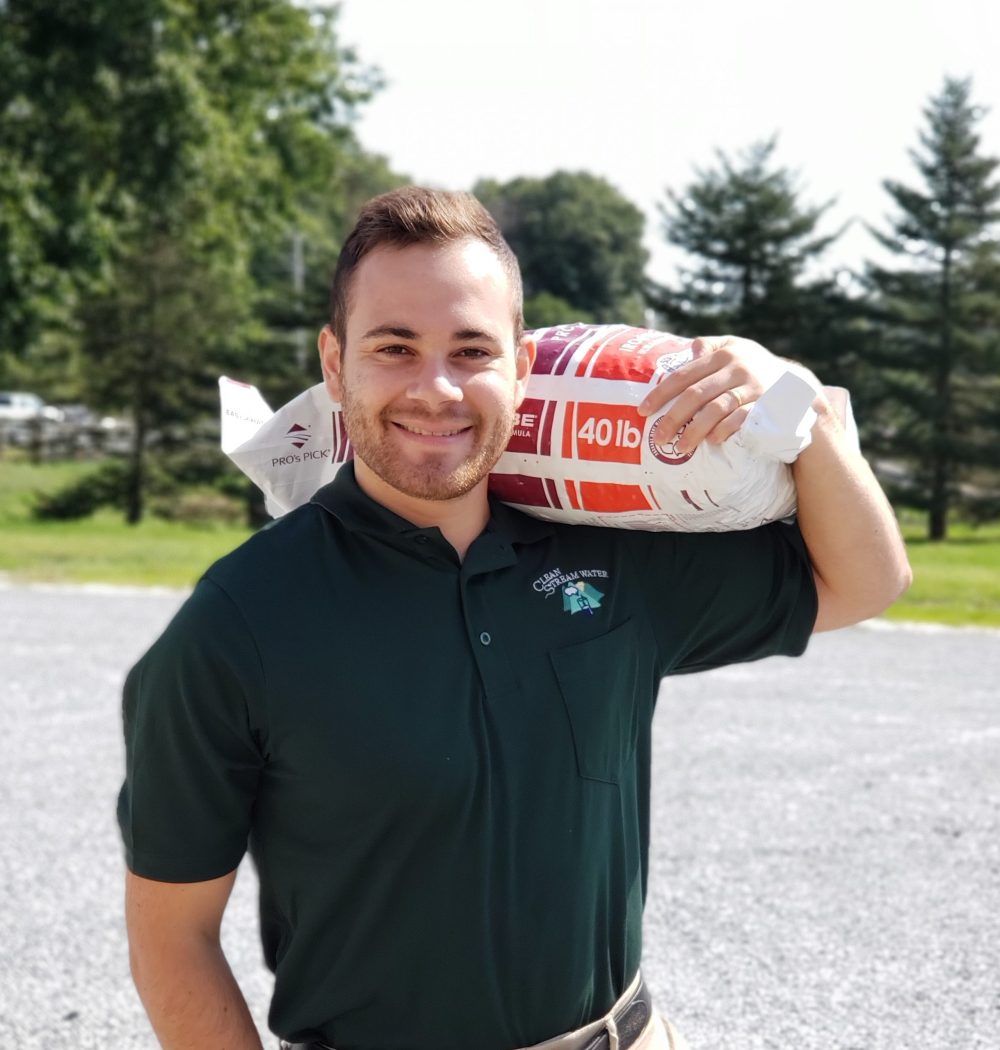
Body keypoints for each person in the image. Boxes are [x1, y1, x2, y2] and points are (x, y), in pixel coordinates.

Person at [118, 187, 911, 1050]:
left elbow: (866, 580)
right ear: (335, 364)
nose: (437, 388)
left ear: (522, 367)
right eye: (395, 347)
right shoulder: (241, 620)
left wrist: (795, 409)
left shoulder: (615, 559)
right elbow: (173, 934)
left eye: (471, 349)